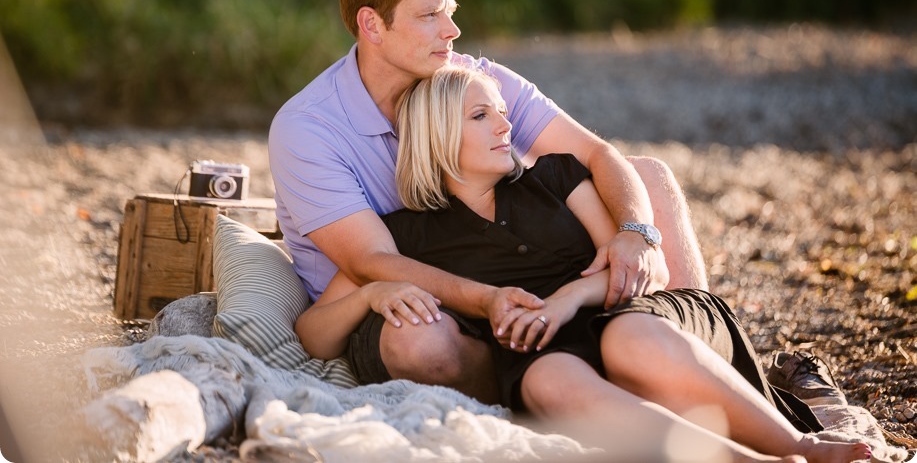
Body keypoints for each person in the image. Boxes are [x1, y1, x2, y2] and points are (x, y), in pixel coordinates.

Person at [295, 66, 870, 463]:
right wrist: (371, 294)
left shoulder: (557, 178)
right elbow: (314, 336)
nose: (504, 125)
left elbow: (650, 275)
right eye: (480, 117)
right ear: (436, 136)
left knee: (628, 340)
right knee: (544, 380)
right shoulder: (407, 237)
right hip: (552, 355)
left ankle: (802, 445)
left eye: (501, 112)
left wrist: (571, 296)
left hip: (641, 318)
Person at [269, 0, 706, 402]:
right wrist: (486, 300)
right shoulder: (308, 128)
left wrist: (636, 232)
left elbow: (598, 154)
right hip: (398, 298)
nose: (452, 30)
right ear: (372, 25)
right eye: (429, 15)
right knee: (420, 339)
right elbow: (373, 263)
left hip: (495, 268)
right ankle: (540, 398)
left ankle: (697, 363)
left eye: (450, 11)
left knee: (648, 177)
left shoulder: (472, 77)